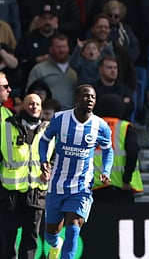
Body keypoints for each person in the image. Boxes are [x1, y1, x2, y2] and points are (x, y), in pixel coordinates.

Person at [38, 84, 114, 259]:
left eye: (93, 97)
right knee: (51, 234)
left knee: (73, 227)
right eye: (86, 96)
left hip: (82, 186)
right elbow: (44, 141)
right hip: (57, 183)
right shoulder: (59, 119)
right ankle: (56, 246)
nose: (90, 100)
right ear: (76, 98)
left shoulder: (100, 126)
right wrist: (43, 161)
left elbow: (108, 150)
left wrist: (106, 171)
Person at [0, 94, 54, 259]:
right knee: (7, 240)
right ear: (22, 106)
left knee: (31, 241)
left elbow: (53, 157)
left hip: (36, 192)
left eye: (38, 104)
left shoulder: (48, 129)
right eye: (30, 104)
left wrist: (49, 170)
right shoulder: (6, 126)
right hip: (11, 192)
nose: (34, 107)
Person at [92, 94, 143, 203]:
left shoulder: (91, 127)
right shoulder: (125, 127)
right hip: (121, 187)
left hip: (94, 189)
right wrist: (126, 179)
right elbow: (133, 152)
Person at [26, 33, 78, 110]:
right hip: (48, 115)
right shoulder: (39, 69)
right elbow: (30, 94)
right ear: (51, 49)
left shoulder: (77, 66)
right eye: (58, 47)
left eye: (64, 47)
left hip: (73, 114)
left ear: (69, 48)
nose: (61, 50)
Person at [92, 55, 134, 121]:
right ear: (100, 70)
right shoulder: (93, 90)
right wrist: (120, 102)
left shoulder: (124, 88)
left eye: (115, 68)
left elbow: (130, 108)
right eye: (109, 68)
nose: (113, 70)